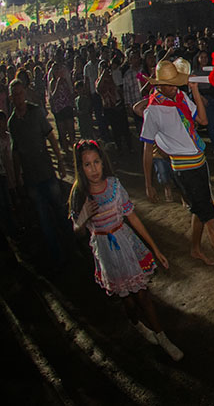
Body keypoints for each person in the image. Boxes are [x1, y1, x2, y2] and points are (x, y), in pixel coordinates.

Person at [68, 140, 183, 361]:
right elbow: (77, 232)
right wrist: (82, 219)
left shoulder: (114, 186)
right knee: (127, 300)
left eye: (96, 162)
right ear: (80, 168)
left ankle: (162, 337)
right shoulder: (80, 194)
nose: (93, 169)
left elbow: (132, 216)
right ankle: (136, 323)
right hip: (106, 250)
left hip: (126, 242)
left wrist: (154, 248)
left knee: (142, 294)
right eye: (87, 165)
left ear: (103, 162)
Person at [140, 60, 214, 286]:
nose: (174, 88)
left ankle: (195, 249)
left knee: (199, 210)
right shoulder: (153, 110)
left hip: (199, 163)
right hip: (184, 170)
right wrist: (149, 184)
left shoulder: (180, 98)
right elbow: (147, 149)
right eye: (170, 85)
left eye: (176, 84)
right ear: (159, 84)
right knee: (210, 218)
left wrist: (194, 92)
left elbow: (202, 120)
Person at [8, 79, 72, 268]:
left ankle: (72, 245)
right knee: (44, 220)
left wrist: (60, 161)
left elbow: (50, 136)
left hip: (46, 170)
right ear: (11, 97)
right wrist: (18, 175)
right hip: (31, 177)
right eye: (15, 94)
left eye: (21, 93)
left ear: (24, 94)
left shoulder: (35, 112)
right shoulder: (12, 122)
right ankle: (57, 256)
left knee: (60, 210)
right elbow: (16, 151)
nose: (19, 97)